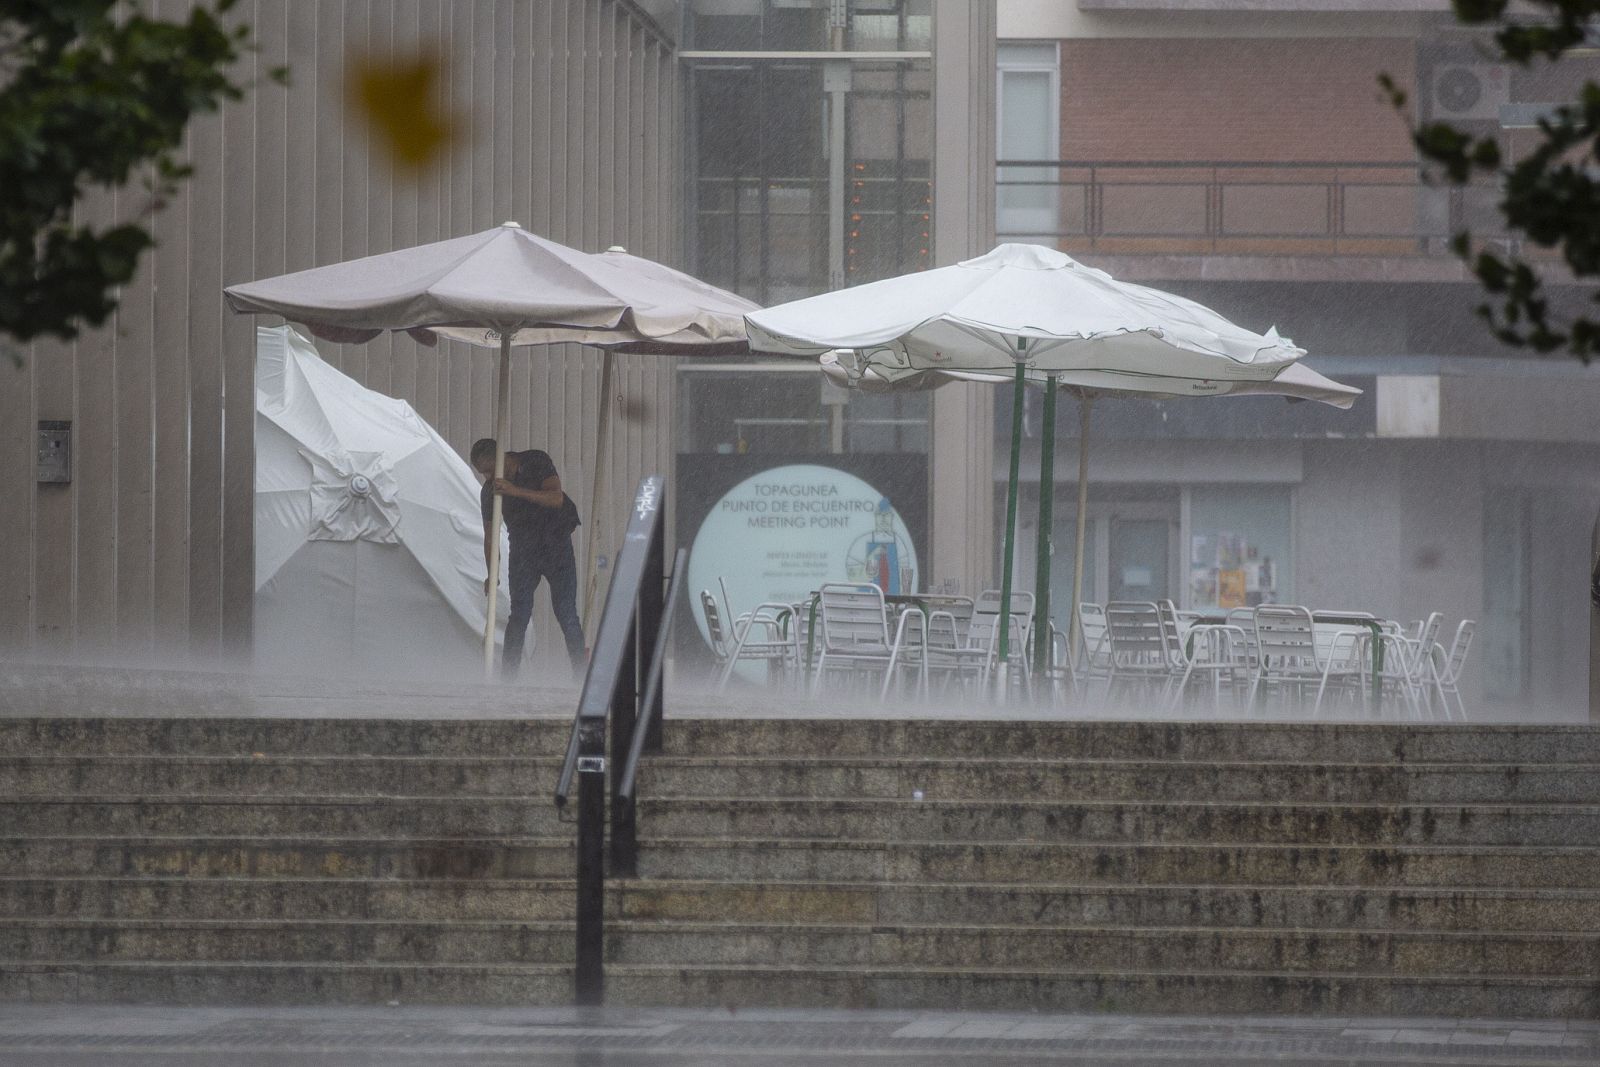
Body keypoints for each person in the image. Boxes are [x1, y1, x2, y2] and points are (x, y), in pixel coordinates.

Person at [471, 439, 585, 680]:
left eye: (490, 470)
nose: (488, 478)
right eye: (483, 473)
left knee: (566, 611)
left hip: (555, 543)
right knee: (519, 613)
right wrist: (493, 573)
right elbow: (490, 536)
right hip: (524, 548)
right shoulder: (490, 492)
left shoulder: (535, 460)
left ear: (503, 459)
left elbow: (556, 498)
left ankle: (581, 675)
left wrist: (515, 491)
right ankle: (508, 678)